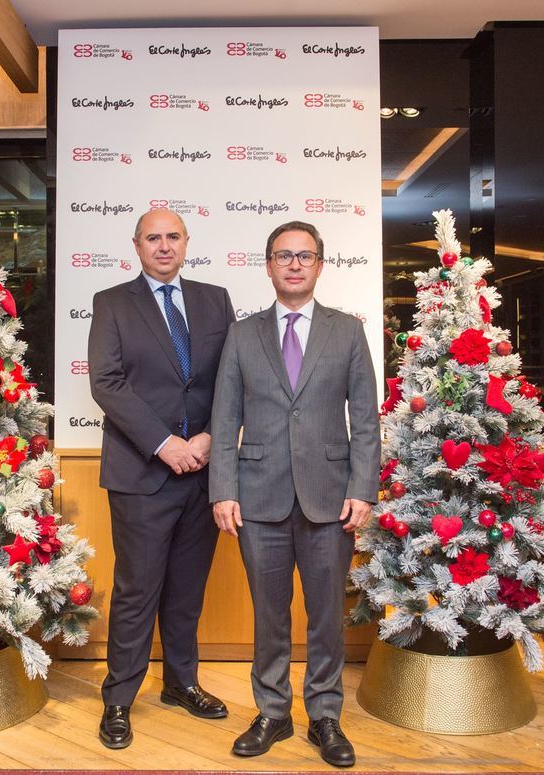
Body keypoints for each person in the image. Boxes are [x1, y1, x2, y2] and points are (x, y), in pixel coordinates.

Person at [209, 221, 380, 768]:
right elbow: (225, 415)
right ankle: (273, 713)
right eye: (284, 255)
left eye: (305, 255)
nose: (295, 264)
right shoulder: (243, 333)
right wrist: (222, 489)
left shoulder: (347, 332)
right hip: (257, 498)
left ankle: (325, 716)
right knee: (269, 614)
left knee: (327, 614)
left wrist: (363, 489)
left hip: (331, 498)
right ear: (268, 265)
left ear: (320, 265)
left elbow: (366, 419)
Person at [88, 208, 235, 749]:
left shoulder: (214, 299)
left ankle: (181, 683)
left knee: (186, 592)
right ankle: (119, 699)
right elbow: (106, 382)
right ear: (137, 246)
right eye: (154, 237)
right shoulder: (112, 303)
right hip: (142, 473)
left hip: (203, 473)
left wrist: (210, 439)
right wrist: (165, 443)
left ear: (187, 242)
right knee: (136, 591)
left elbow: (231, 376)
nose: (164, 245)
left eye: (173, 236)